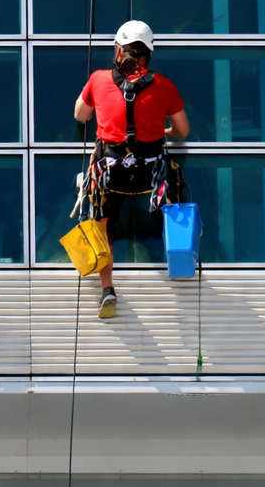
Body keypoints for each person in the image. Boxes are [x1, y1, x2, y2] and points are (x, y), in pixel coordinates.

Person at [73, 21, 191, 320]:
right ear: (148, 55)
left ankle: (107, 288)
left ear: (118, 50)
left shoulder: (98, 80)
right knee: (175, 203)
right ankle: (180, 262)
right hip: (150, 172)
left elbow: (80, 115)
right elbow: (182, 131)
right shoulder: (164, 85)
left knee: (102, 222)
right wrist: (158, 130)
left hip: (111, 171)